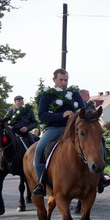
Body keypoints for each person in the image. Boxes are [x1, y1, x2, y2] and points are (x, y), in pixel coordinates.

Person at [32, 68, 86, 197]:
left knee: (97, 142)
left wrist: (78, 115)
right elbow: (42, 115)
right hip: (54, 129)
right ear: (54, 80)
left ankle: (100, 177)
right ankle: (41, 184)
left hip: (74, 129)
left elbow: (83, 110)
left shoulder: (74, 93)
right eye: (61, 80)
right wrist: (61, 115)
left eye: (66, 80)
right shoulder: (47, 95)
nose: (63, 82)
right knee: (39, 150)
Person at [79, 88, 110, 192]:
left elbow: (94, 115)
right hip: (73, 130)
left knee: (101, 141)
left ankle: (101, 175)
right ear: (81, 95)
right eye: (87, 94)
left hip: (89, 132)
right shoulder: (75, 104)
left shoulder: (90, 105)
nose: (89, 96)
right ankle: (43, 179)